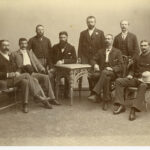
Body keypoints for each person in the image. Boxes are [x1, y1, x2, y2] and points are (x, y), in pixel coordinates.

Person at [0, 40, 52, 113]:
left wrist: (17, 72)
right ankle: (37, 96)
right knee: (27, 75)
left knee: (25, 81)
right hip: (4, 81)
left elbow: (17, 67)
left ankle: (25, 104)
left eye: (8, 45)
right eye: (4, 45)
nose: (6, 47)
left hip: (14, 79)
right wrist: (8, 74)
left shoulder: (10, 55)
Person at [11, 38, 60, 106]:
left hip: (32, 72)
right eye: (22, 43)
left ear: (27, 44)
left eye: (25, 43)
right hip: (23, 73)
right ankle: (45, 102)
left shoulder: (30, 52)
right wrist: (20, 68)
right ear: (19, 44)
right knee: (35, 81)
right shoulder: (14, 54)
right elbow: (12, 66)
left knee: (45, 77)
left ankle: (52, 98)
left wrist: (42, 69)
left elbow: (37, 62)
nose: (24, 45)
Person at [113, 40, 150, 121]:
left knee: (143, 85)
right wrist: (130, 74)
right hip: (136, 79)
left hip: (147, 81)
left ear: (149, 46)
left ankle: (133, 109)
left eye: (145, 45)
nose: (143, 47)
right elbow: (132, 70)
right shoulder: (137, 57)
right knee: (119, 81)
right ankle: (121, 105)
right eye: (142, 45)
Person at [88, 34, 123, 111]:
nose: (107, 40)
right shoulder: (100, 51)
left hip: (113, 73)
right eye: (106, 39)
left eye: (109, 39)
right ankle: (106, 101)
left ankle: (96, 93)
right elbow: (92, 59)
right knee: (106, 78)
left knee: (105, 72)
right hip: (103, 73)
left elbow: (121, 65)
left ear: (112, 40)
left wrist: (112, 68)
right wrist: (95, 64)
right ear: (104, 41)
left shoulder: (117, 51)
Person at [78, 16, 105, 95]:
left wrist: (101, 57)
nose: (90, 23)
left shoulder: (100, 33)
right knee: (89, 75)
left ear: (95, 22)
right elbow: (80, 47)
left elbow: (103, 46)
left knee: (96, 74)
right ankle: (92, 91)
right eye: (89, 22)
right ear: (87, 23)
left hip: (97, 58)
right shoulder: (83, 33)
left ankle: (97, 92)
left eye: (92, 22)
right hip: (86, 58)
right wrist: (79, 57)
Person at [50, 31, 77, 98]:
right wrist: (51, 67)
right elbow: (50, 59)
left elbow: (74, 59)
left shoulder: (71, 47)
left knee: (69, 77)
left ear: (67, 38)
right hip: (56, 68)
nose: (62, 39)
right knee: (50, 75)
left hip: (67, 69)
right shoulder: (55, 47)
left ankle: (66, 93)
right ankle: (53, 94)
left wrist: (64, 61)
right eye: (61, 37)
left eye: (64, 37)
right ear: (59, 38)